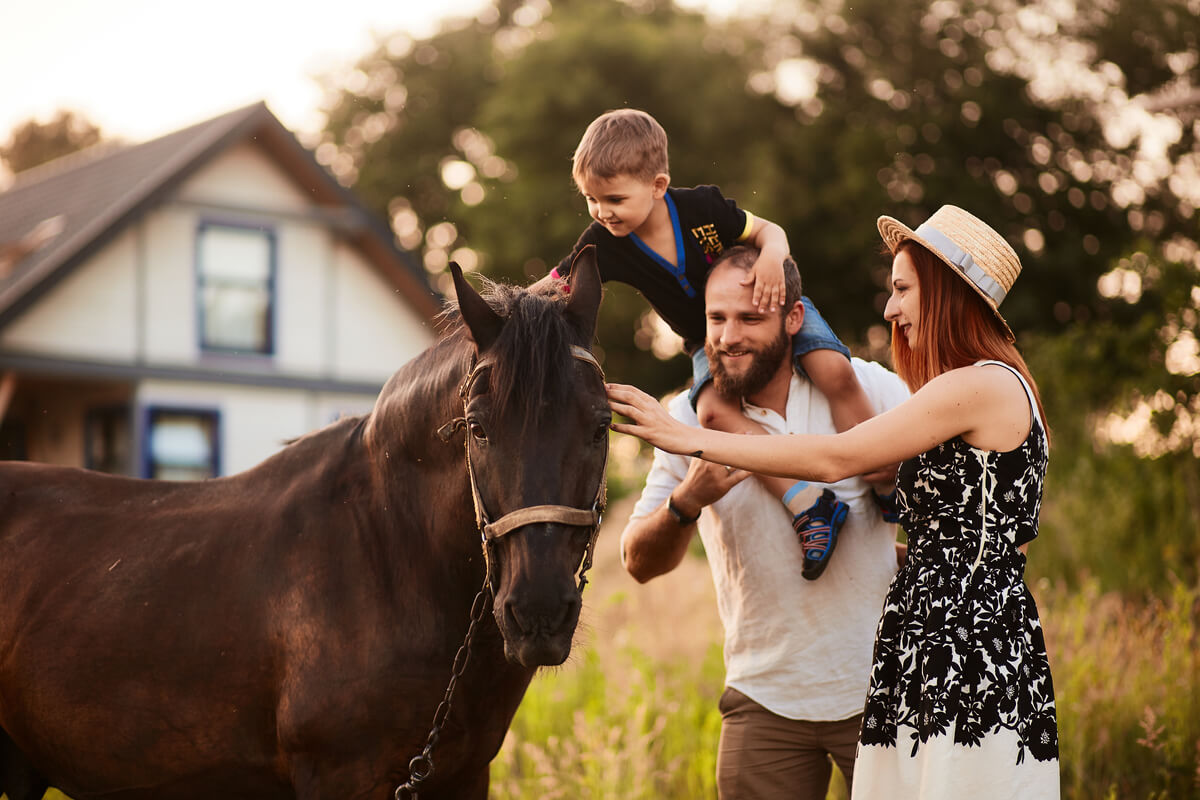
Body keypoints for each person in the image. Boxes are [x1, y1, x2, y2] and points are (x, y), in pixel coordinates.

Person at [607, 205, 1060, 799]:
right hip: (931, 645)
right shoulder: (986, 384)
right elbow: (986, 537)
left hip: (953, 652)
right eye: (716, 317)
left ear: (946, 294)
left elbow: (838, 459)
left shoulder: (970, 385)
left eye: (902, 289)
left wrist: (684, 435)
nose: (890, 308)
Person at [539, 108, 892, 579]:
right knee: (712, 416)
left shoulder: (702, 209)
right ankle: (809, 504)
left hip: (766, 304)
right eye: (591, 199)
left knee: (834, 369)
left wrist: (771, 256)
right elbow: (554, 285)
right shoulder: (605, 243)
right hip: (706, 343)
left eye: (615, 199)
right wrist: (503, 311)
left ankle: (885, 476)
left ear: (658, 186)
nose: (603, 212)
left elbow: (770, 231)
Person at [620, 245, 911, 799]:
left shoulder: (869, 389)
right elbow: (636, 562)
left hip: (888, 691)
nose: (729, 337)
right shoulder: (683, 421)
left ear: (794, 319)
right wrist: (688, 499)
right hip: (764, 700)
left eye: (750, 319)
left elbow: (949, 511)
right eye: (716, 318)